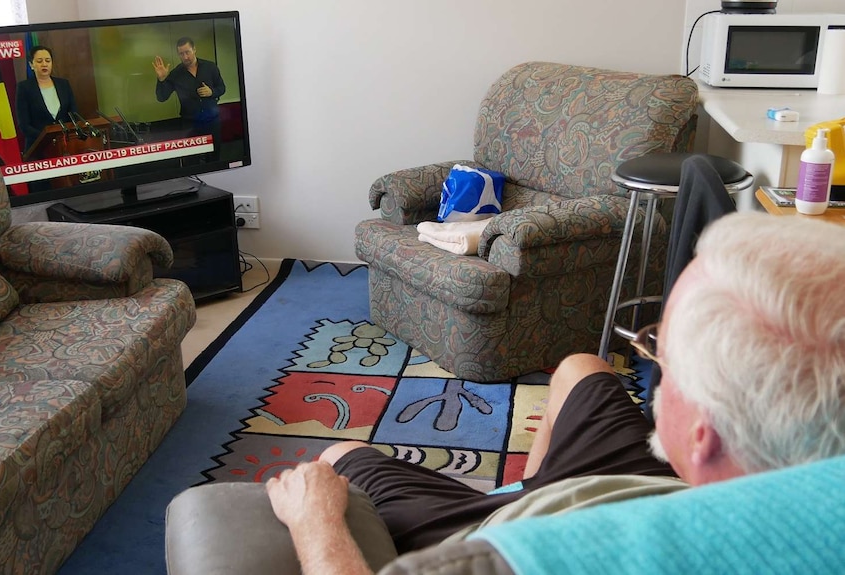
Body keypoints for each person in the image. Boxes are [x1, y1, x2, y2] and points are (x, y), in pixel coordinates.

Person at [265, 211, 845, 574]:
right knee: (580, 367)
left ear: (704, 434)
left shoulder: (510, 563)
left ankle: (517, 496)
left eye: (659, 352)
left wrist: (313, 521)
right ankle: (528, 484)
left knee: (336, 460)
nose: (653, 361)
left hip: (521, 527)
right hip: (650, 483)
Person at [152, 36, 225, 162]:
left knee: (214, 157)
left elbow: (222, 88)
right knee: (192, 160)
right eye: (181, 54)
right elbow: (161, 97)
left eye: (187, 52)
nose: (185, 57)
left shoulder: (210, 67)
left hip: (212, 121)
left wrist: (211, 92)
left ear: (194, 50)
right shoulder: (176, 74)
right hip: (190, 124)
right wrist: (162, 79)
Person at [15, 45, 78, 156]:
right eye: (39, 61)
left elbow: (74, 114)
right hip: (38, 148)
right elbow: (24, 125)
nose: (44, 64)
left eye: (47, 60)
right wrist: (46, 138)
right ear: (31, 65)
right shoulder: (24, 88)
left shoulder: (64, 84)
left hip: (66, 144)